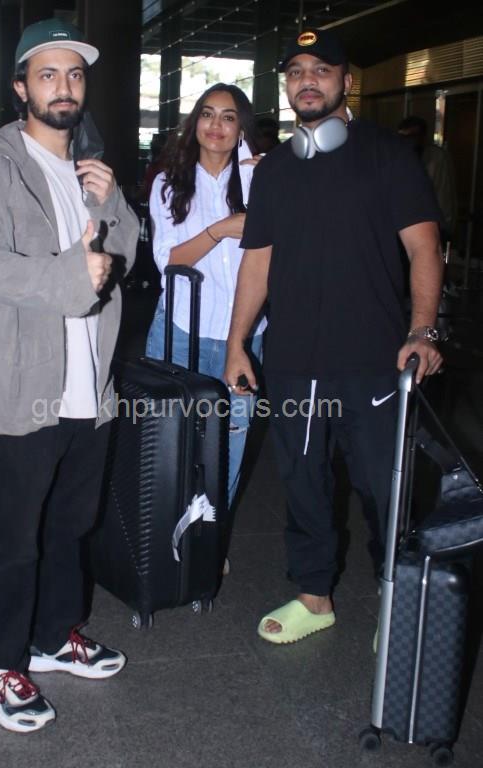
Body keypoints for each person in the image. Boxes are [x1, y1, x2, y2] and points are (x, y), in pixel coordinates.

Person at [224, 28, 444, 644]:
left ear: (346, 81)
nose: (307, 81)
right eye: (296, 72)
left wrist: (423, 329)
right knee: (303, 481)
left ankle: (401, 603)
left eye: (321, 70)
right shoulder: (274, 170)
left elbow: (424, 247)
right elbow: (257, 261)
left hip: (373, 358)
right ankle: (313, 596)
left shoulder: (386, 154)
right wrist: (238, 342)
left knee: (383, 488)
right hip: (294, 360)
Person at [0, 18, 139, 732]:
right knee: (11, 535)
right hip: (24, 387)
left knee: (70, 523)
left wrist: (112, 200)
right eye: (47, 75)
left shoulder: (90, 170)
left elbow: (126, 256)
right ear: (20, 88)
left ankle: (53, 635)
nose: (63, 87)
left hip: (89, 386)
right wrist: (71, 276)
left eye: (74, 75)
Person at [146, 83, 266, 514]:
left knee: (233, 436)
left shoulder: (260, 180)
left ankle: (211, 534)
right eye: (208, 113)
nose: (216, 125)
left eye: (228, 117)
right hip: (180, 331)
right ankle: (166, 535)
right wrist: (219, 230)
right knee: (170, 440)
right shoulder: (169, 183)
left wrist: (277, 179)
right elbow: (168, 261)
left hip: (244, 335)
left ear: (241, 129)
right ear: (195, 121)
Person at [397, 115, 457, 243]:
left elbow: (444, 195)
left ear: (422, 137)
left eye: (412, 137)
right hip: (405, 226)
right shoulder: (399, 156)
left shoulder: (436, 158)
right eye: (402, 137)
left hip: (430, 226)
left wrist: (444, 229)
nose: (407, 142)